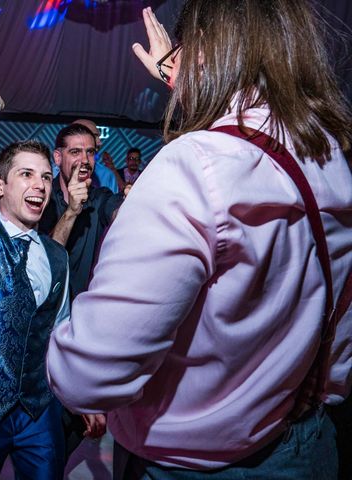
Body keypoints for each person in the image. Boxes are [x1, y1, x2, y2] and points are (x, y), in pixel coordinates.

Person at [47, 2, 352, 479]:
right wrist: (178, 72)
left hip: (186, 465)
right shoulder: (331, 159)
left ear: (206, 49)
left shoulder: (192, 165)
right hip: (305, 445)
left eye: (187, 50)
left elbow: (88, 374)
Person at [0, 82, 103, 479]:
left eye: (46, 177)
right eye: (26, 175)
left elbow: (61, 334)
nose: (40, 185)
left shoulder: (56, 256)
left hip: (37, 411)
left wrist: (80, 396)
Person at [39, 123, 125, 299]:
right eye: (75, 152)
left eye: (90, 152)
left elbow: (119, 212)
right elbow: (44, 261)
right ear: (58, 157)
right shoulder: (41, 198)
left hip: (86, 311)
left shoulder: (101, 197)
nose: (85, 160)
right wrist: (71, 211)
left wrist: (134, 203)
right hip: (46, 310)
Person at [72, 118, 124, 193]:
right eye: (95, 136)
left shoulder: (107, 175)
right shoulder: (54, 173)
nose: (100, 143)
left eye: (99, 137)